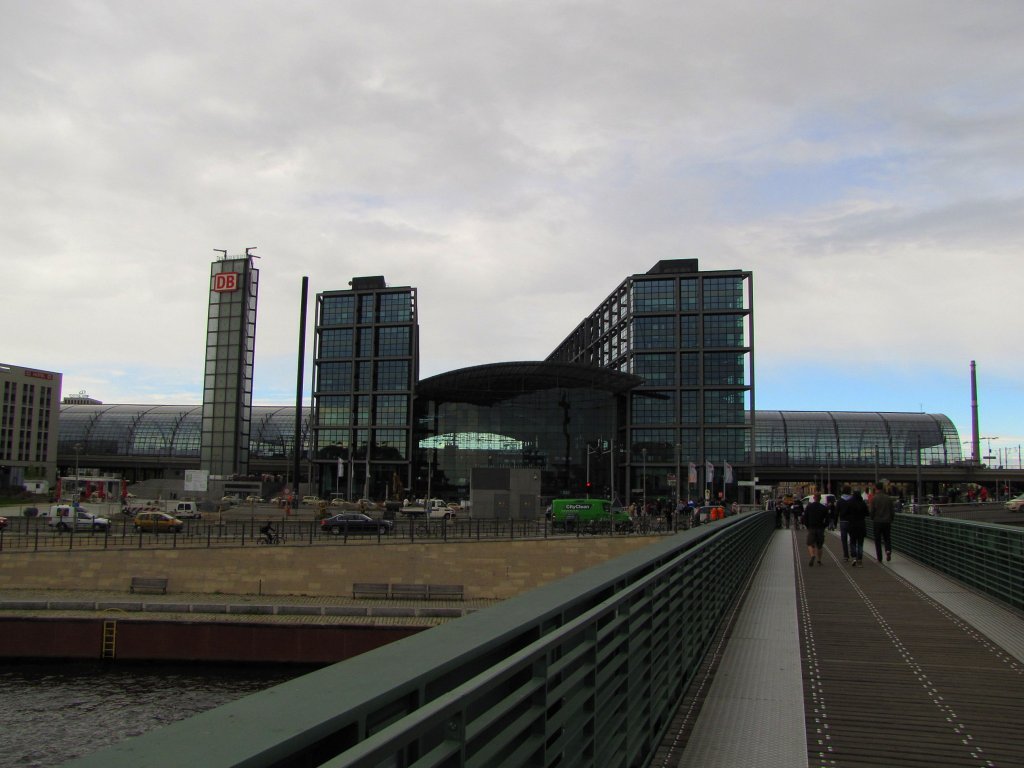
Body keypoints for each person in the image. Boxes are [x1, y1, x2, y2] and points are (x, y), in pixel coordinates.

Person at [843, 489, 870, 566]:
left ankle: (854, 557)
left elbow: (845, 514)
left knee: (853, 542)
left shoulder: (849, 503)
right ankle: (859, 559)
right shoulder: (863, 503)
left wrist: (850, 518)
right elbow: (867, 513)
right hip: (861, 525)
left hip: (852, 525)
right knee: (860, 543)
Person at [870, 484, 896, 562]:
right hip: (887, 521)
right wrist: (891, 519)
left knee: (877, 540)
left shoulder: (874, 498)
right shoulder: (888, 498)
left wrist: (872, 518)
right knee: (887, 538)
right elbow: (892, 511)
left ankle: (879, 557)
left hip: (877, 521)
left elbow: (872, 511)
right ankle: (888, 550)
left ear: (876, 488)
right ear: (883, 488)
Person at [803, 492, 829, 566]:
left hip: (811, 527)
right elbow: (827, 519)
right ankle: (819, 560)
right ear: (820, 498)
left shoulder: (809, 507)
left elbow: (805, 517)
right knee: (820, 545)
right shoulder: (824, 508)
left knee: (810, 543)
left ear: (814, 498)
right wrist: (824, 526)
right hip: (820, 528)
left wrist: (807, 525)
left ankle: (812, 555)